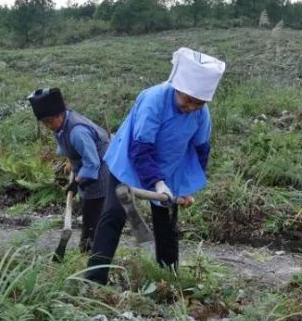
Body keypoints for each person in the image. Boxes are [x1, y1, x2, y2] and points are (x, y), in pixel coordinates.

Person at [85, 47, 225, 284]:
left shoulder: (202, 113)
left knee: (167, 225)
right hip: (130, 161)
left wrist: (186, 189)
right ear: (177, 87)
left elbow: (201, 150)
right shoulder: (154, 100)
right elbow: (141, 149)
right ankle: (94, 279)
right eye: (188, 100)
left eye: (198, 103)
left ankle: (167, 279)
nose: (191, 107)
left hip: (169, 166)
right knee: (113, 216)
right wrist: (157, 184)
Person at [28, 87, 111, 252]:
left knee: (93, 213)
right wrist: (69, 162)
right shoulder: (60, 124)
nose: (48, 126)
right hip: (86, 169)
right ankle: (88, 247)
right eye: (44, 123)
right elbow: (64, 144)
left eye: (49, 122)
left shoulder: (77, 132)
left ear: (60, 114)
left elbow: (92, 163)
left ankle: (91, 252)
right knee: (88, 211)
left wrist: (76, 182)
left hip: (101, 173)